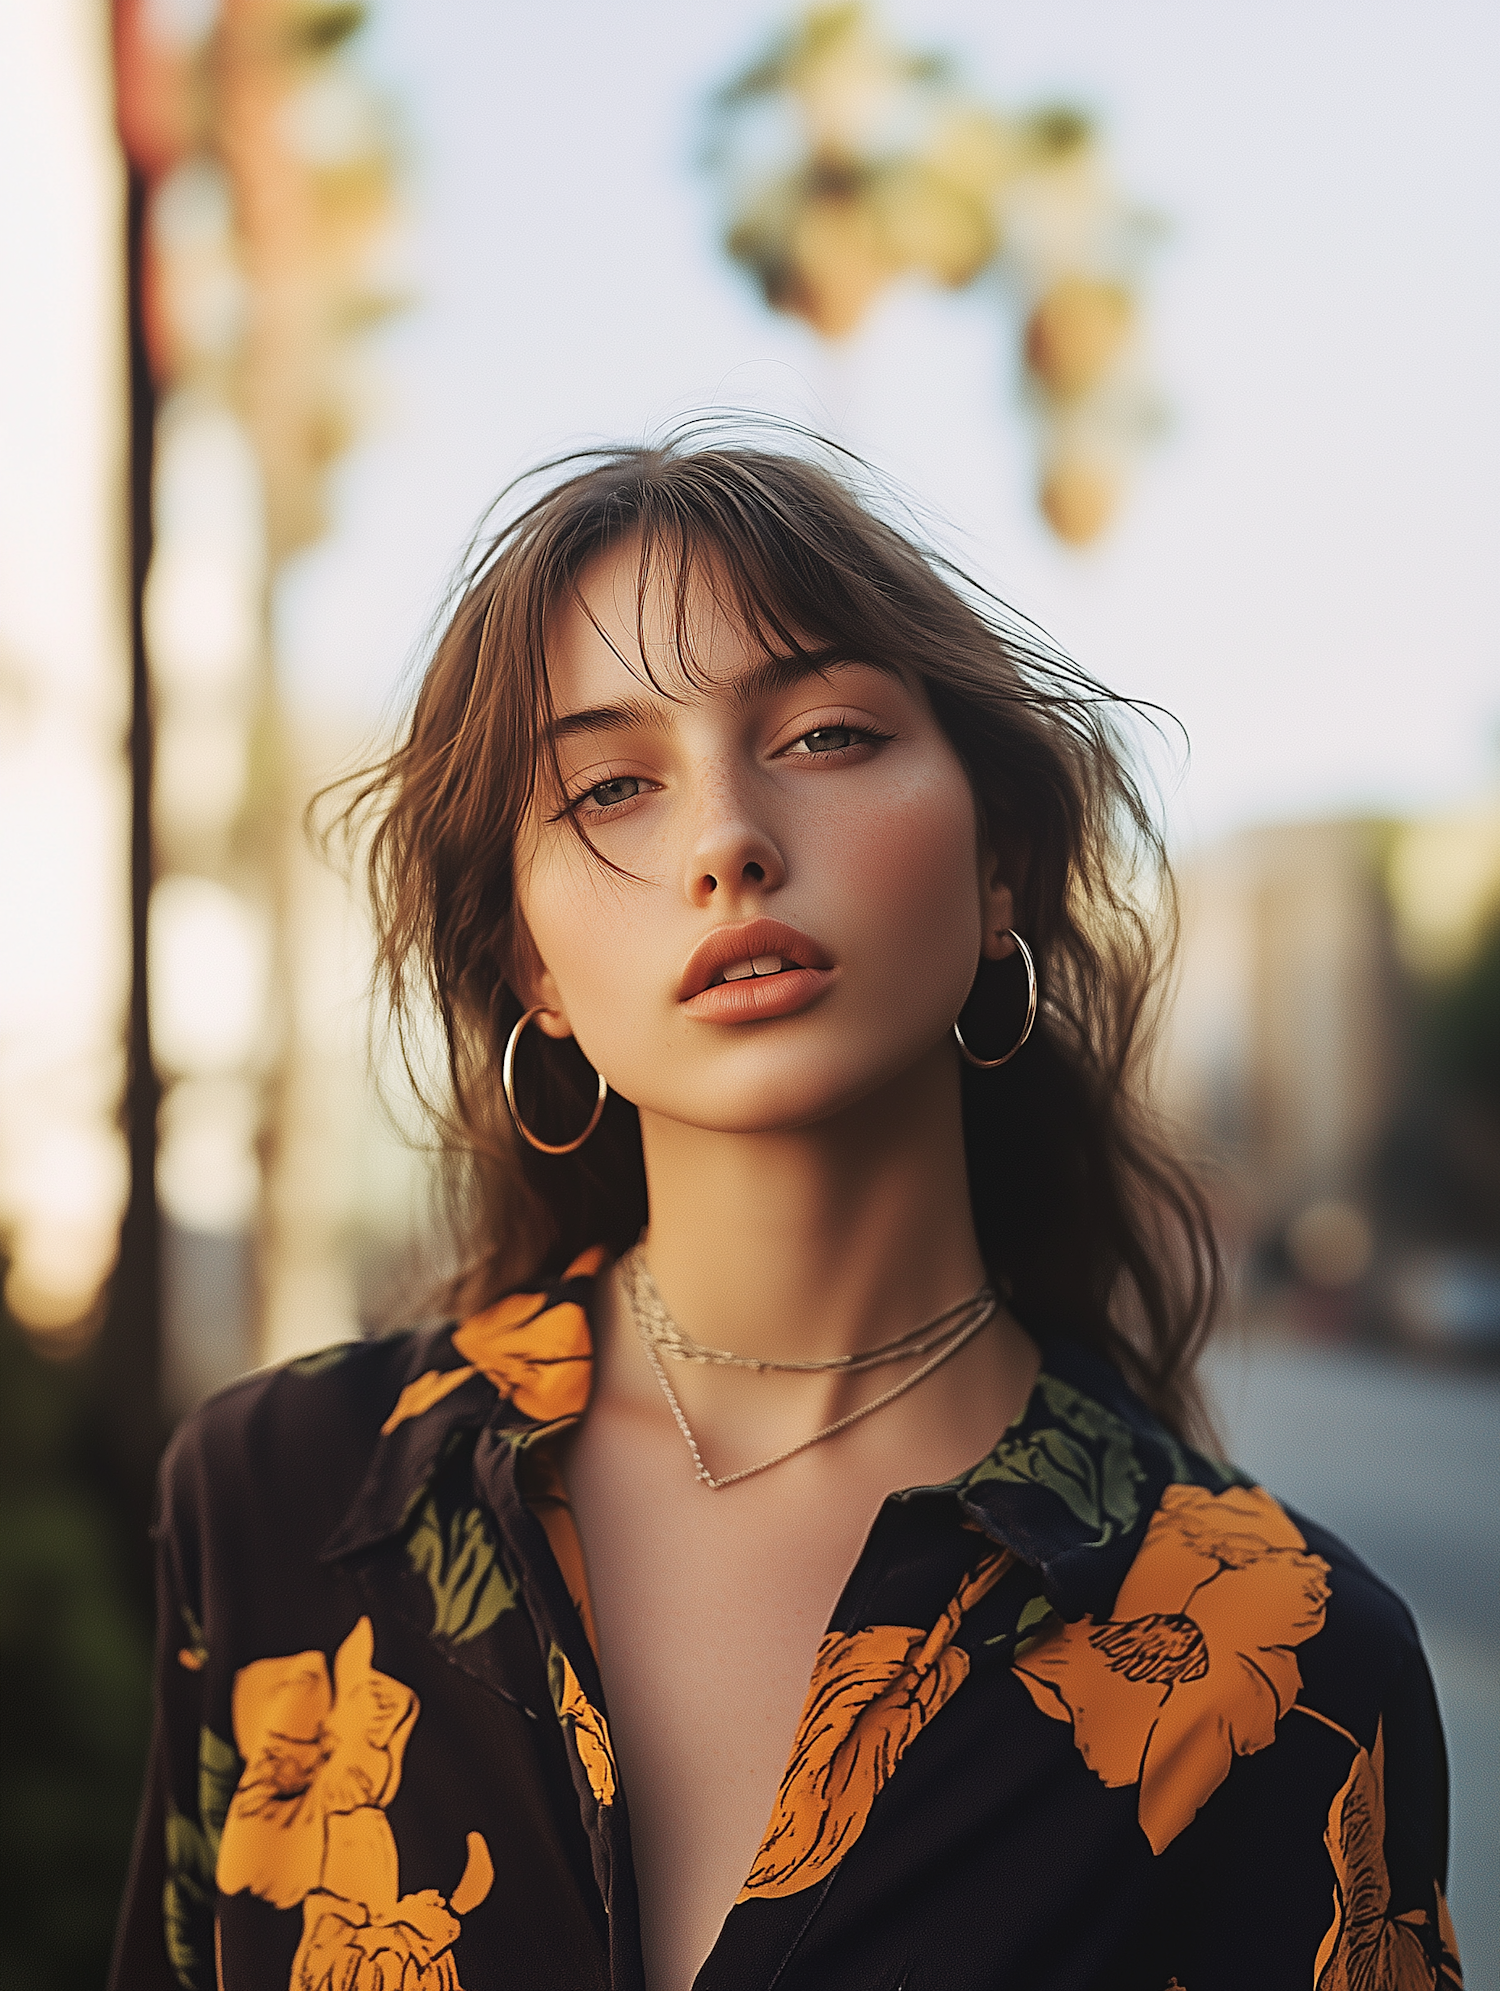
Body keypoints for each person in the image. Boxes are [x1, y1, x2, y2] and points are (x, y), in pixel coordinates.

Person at [111, 434, 1462, 1991]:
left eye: (823, 735)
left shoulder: (1291, 1662)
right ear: (532, 970)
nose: (725, 841)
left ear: (1000, 861)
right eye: (611, 782)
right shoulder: (280, 1503)